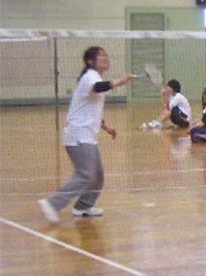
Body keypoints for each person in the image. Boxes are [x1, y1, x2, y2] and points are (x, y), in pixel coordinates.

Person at [38, 47, 134, 223]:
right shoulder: (90, 76)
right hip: (78, 134)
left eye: (106, 55)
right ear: (90, 61)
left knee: (97, 175)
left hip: (87, 134)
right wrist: (120, 82)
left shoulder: (93, 76)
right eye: (101, 56)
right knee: (85, 174)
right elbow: (98, 88)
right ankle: (52, 204)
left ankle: (83, 206)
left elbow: (91, 107)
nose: (105, 58)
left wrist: (106, 127)